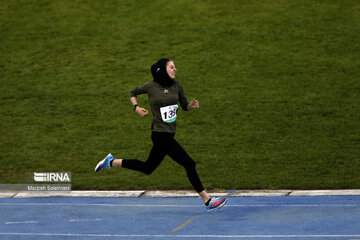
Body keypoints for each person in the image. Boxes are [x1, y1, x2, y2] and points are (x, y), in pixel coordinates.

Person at [95, 58, 227, 211]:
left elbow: (184, 106)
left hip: (169, 134)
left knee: (147, 168)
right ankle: (207, 201)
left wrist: (190, 106)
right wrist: (136, 108)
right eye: (171, 67)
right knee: (189, 163)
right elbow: (133, 92)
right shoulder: (152, 87)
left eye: (175, 67)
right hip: (160, 134)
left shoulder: (178, 86)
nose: (175, 69)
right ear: (163, 70)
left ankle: (111, 161)